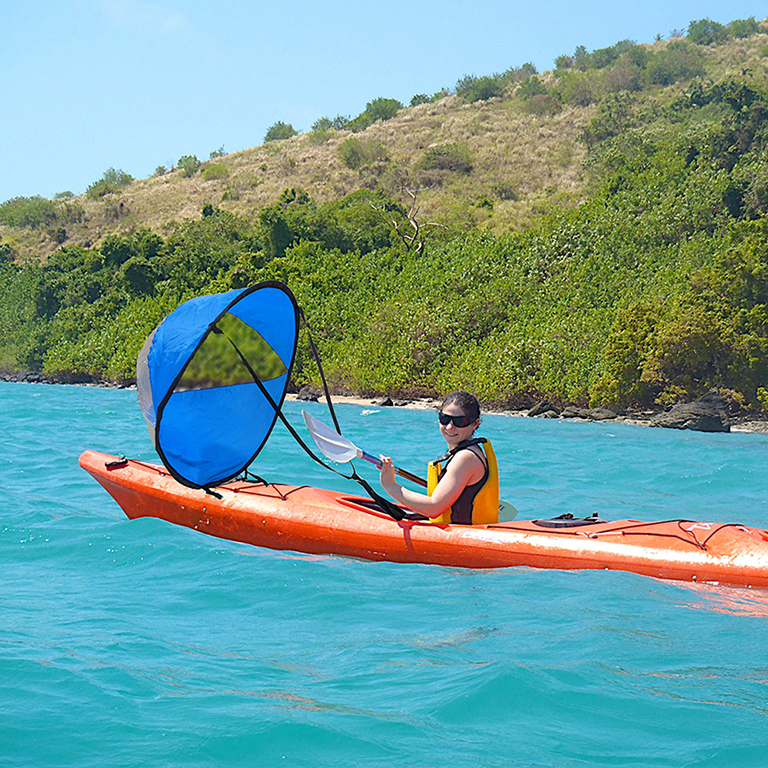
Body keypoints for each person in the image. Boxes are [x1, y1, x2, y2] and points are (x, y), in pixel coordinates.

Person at [379, 391, 499, 525]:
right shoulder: (468, 451)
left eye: (460, 421)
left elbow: (434, 508)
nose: (449, 427)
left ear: (475, 423)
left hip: (461, 538)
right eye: (445, 419)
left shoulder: (466, 458)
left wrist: (390, 485)